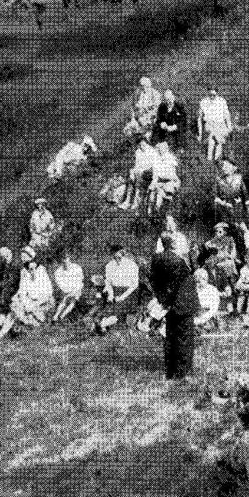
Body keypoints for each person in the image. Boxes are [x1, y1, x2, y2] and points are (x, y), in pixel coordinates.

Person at [149, 232, 200, 379]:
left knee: (171, 336)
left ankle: (170, 371)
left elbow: (154, 280)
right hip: (182, 303)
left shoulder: (156, 259)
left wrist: (162, 300)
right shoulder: (177, 261)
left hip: (168, 304)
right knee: (184, 337)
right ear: (173, 244)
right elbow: (179, 283)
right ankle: (182, 372)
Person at [0, 246, 54, 337]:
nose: (22, 258)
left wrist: (36, 302)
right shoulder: (23, 271)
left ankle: (31, 327)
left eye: (25, 256)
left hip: (42, 301)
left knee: (22, 310)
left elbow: (48, 291)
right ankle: (1, 333)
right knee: (15, 305)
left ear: (31, 257)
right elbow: (22, 288)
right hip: (29, 300)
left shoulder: (41, 270)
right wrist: (18, 296)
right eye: (22, 256)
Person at [100, 244, 141, 330]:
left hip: (129, 293)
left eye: (119, 253)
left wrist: (122, 297)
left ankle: (101, 325)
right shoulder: (109, 265)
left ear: (123, 252)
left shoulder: (132, 265)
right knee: (108, 309)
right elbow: (108, 282)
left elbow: (134, 285)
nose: (116, 256)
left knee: (117, 310)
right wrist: (111, 294)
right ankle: (103, 325)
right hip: (115, 291)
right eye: (114, 254)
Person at [122, 133, 159, 212]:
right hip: (139, 172)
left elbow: (155, 167)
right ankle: (128, 201)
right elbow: (136, 165)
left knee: (138, 177)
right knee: (131, 176)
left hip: (148, 173)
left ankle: (136, 202)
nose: (142, 146)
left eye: (143, 144)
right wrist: (132, 172)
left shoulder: (152, 152)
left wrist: (140, 172)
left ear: (146, 142)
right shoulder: (138, 151)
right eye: (140, 145)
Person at [198, 86, 233, 162]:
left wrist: (229, 126)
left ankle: (211, 159)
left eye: (214, 95)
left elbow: (227, 115)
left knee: (213, 139)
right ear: (208, 93)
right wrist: (200, 134)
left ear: (217, 93)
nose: (212, 97)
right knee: (216, 136)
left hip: (221, 124)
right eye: (210, 95)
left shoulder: (222, 101)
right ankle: (216, 160)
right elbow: (200, 119)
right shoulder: (203, 102)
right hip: (209, 125)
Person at [213, 158, 249, 225]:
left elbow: (246, 195)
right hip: (224, 208)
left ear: (234, 168)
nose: (224, 168)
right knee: (227, 227)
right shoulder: (219, 180)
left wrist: (248, 208)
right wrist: (224, 204)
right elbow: (215, 197)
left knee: (240, 225)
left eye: (227, 166)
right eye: (223, 166)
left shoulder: (239, 179)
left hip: (238, 206)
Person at [149, 139, 181, 215]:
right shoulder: (156, 160)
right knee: (154, 197)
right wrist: (154, 184)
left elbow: (174, 176)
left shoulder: (171, 158)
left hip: (170, 183)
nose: (160, 151)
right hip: (160, 183)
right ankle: (153, 215)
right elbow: (156, 175)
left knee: (165, 197)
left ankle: (163, 214)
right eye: (159, 149)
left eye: (162, 149)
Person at [52, 251, 84, 323]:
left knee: (73, 300)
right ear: (61, 260)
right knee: (64, 299)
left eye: (66, 258)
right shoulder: (58, 271)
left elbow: (80, 281)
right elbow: (60, 284)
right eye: (62, 259)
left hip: (76, 289)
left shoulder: (76, 267)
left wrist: (73, 291)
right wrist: (67, 292)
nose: (64, 261)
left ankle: (62, 316)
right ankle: (56, 316)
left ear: (69, 258)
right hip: (65, 291)